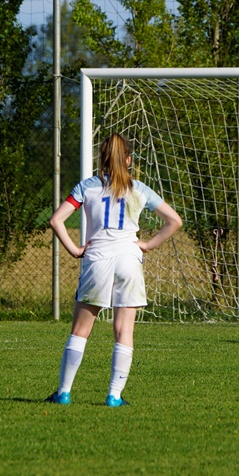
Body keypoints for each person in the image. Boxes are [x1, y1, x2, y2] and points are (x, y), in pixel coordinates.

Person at [46, 133, 181, 407]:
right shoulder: (140, 189)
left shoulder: (87, 186)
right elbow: (174, 221)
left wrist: (74, 249)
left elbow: (56, 220)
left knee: (80, 330)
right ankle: (114, 396)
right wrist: (147, 245)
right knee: (124, 331)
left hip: (97, 259)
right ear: (128, 160)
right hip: (129, 260)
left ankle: (63, 393)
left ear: (102, 159)